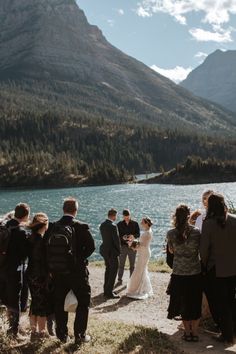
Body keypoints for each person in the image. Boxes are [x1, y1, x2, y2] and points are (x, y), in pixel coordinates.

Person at [47, 197, 95, 345]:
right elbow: (91, 247)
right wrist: (79, 259)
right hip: (78, 272)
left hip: (58, 272)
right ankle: (80, 335)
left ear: (63, 209)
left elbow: (45, 248)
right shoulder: (81, 227)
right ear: (75, 210)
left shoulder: (52, 226)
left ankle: (62, 335)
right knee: (83, 302)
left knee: (60, 302)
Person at [200, 193, 236, 344]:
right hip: (234, 267)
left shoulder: (208, 223)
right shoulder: (234, 219)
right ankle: (233, 331)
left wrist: (204, 265)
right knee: (232, 299)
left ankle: (226, 334)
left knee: (220, 303)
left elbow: (204, 250)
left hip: (216, 269)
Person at [167, 204, 202, 342]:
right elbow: (200, 250)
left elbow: (171, 251)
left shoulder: (170, 233)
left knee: (184, 302)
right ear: (189, 216)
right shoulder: (197, 232)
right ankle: (195, 333)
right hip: (195, 272)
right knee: (195, 302)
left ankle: (187, 332)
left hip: (179, 273)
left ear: (176, 216)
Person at [4, 203, 30, 338]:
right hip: (15, 270)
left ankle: (7, 326)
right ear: (26, 215)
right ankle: (14, 331)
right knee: (15, 299)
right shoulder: (20, 232)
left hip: (2, 268)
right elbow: (24, 254)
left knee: (6, 298)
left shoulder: (4, 227)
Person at [27, 213, 52, 339]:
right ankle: (42, 332)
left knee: (35, 302)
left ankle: (33, 332)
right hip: (40, 276)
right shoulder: (41, 241)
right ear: (44, 224)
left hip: (30, 274)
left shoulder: (30, 238)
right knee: (42, 303)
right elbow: (42, 260)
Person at [126, 217, 153, 300]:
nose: (141, 223)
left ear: (146, 223)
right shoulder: (149, 231)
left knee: (139, 269)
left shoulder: (146, 233)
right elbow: (142, 243)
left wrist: (131, 243)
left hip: (144, 253)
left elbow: (141, 245)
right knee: (142, 269)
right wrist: (134, 241)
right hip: (144, 252)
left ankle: (138, 289)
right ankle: (144, 288)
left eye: (142, 222)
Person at [100, 209, 121, 299]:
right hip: (112, 252)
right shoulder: (113, 226)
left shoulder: (102, 225)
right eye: (115, 216)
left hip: (105, 250)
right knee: (113, 271)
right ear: (113, 216)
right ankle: (109, 292)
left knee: (108, 269)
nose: (116, 218)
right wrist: (119, 251)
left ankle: (106, 290)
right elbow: (116, 240)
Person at [117, 209, 140, 285]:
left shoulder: (135, 224)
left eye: (128, 216)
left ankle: (131, 279)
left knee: (132, 265)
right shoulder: (119, 224)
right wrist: (123, 239)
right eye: (125, 216)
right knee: (121, 264)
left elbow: (138, 234)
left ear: (130, 215)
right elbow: (117, 236)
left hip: (133, 246)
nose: (126, 218)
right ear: (123, 216)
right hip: (123, 246)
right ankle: (119, 279)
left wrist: (133, 236)